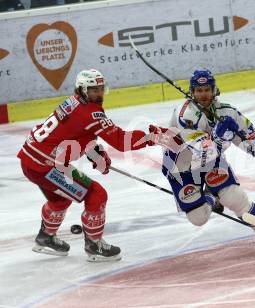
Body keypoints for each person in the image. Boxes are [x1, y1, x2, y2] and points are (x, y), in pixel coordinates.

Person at [17, 69, 178, 261]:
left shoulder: (73, 102)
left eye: (101, 89)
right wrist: (153, 137)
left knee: (60, 200)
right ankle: (94, 246)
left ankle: (45, 237)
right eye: (94, 90)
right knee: (96, 194)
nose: (99, 94)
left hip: (31, 160)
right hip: (45, 166)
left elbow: (74, 133)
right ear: (83, 90)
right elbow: (121, 141)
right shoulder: (90, 113)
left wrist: (93, 151)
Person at [162, 69, 255, 248]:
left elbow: (249, 135)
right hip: (181, 166)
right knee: (199, 218)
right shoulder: (184, 116)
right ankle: (211, 196)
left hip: (211, 161)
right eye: (199, 90)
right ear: (192, 92)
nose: (203, 94)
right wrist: (219, 138)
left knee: (235, 198)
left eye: (207, 89)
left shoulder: (227, 111)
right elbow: (197, 153)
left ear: (214, 90)